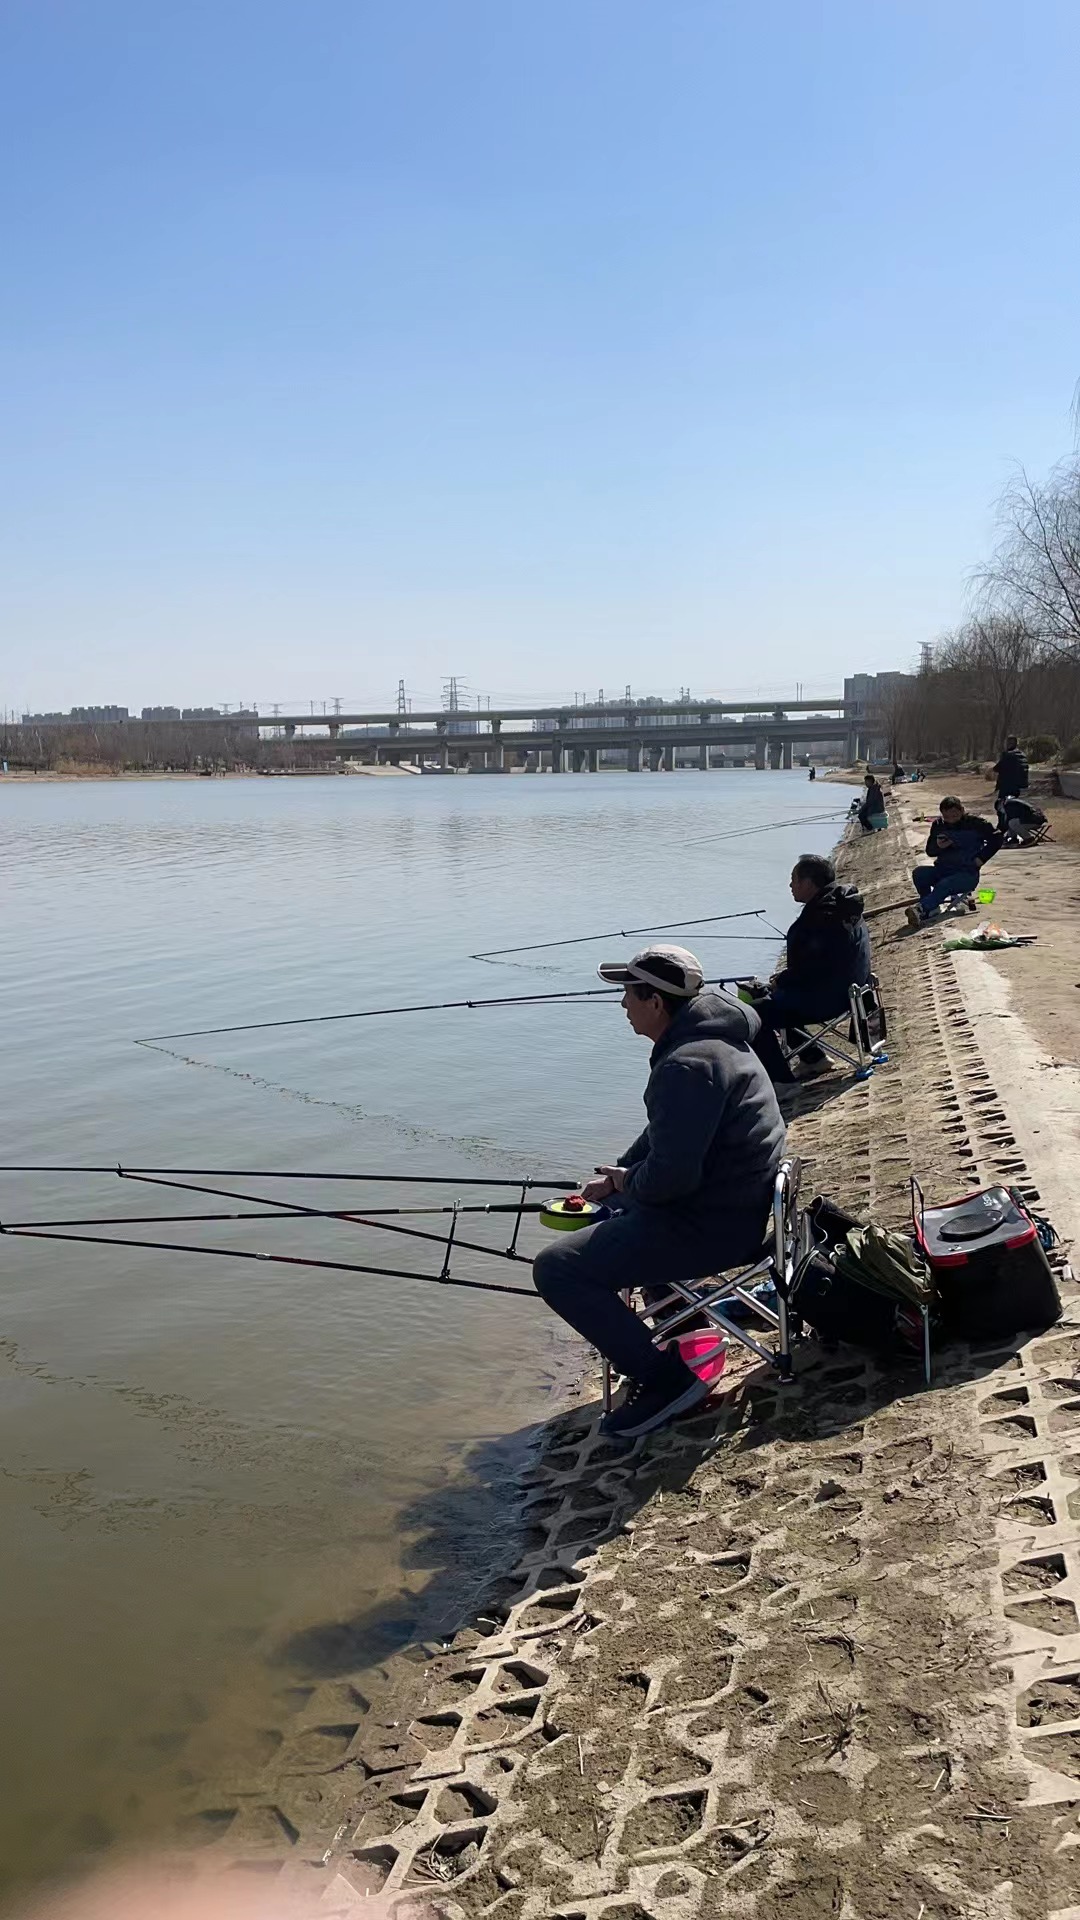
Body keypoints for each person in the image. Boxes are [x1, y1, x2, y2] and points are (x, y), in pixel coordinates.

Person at [532, 945, 784, 1440]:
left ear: (655, 1001)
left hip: (714, 1227)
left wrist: (628, 1183)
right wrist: (620, 1174)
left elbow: (670, 1181)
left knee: (557, 1268)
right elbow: (662, 1139)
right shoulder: (715, 1041)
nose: (623, 1005)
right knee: (610, 1209)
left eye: (628, 994)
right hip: (735, 1206)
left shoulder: (685, 1066)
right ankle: (674, 1320)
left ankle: (666, 1380)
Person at [749, 855, 871, 1084]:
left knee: (753, 1014)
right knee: (773, 998)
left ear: (808, 883)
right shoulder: (845, 905)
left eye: (793, 880)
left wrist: (780, 980)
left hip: (828, 998)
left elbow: (809, 969)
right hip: (852, 991)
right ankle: (813, 1058)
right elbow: (819, 962)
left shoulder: (820, 918)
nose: (790, 886)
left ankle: (781, 1082)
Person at [905, 796, 1002, 927]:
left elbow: (997, 838)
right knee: (920, 873)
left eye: (955, 816)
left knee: (945, 884)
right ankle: (929, 907)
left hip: (967, 873)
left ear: (962, 810)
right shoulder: (938, 825)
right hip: (943, 869)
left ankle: (921, 909)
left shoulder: (976, 824)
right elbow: (930, 851)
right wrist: (938, 846)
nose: (951, 820)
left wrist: (981, 858)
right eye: (947, 817)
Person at [993, 736, 1029, 801]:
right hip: (1021, 786)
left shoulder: (1008, 755)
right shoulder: (1023, 755)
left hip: (1008, 786)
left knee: (1001, 804)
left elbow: (997, 768)